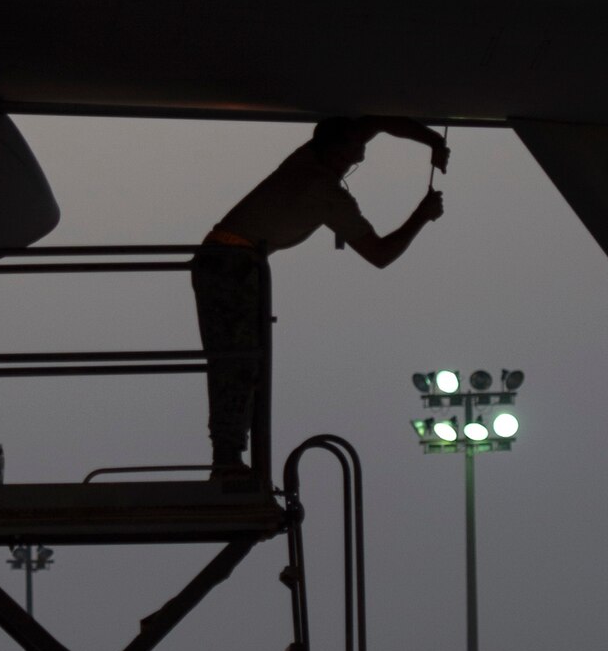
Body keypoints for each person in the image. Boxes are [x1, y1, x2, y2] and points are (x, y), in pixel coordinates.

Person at [192, 117, 448, 480]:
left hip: (229, 263)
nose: (354, 160)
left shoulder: (305, 159)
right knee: (238, 365)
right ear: (335, 149)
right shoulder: (326, 192)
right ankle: (227, 460)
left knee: (241, 364)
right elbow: (380, 254)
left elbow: (377, 123)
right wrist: (421, 216)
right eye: (352, 154)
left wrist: (432, 140)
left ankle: (229, 458)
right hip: (232, 267)